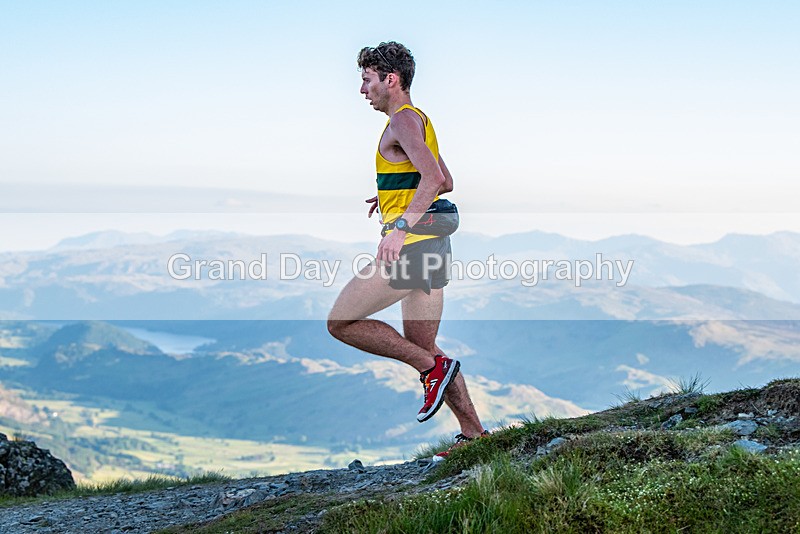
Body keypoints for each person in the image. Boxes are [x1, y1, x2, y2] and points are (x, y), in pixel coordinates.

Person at [327, 41, 487, 456]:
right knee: (425, 345)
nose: (363, 90)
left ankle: (430, 370)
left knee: (341, 322)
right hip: (434, 244)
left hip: (412, 246)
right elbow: (444, 181)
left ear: (390, 79)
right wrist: (392, 196)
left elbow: (434, 179)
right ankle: (474, 434)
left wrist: (398, 226)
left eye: (367, 80)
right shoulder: (419, 119)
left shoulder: (401, 121)